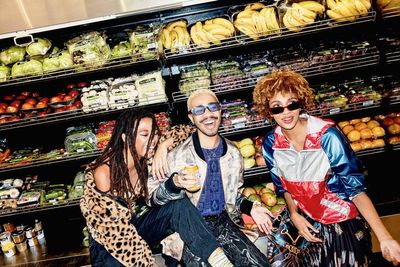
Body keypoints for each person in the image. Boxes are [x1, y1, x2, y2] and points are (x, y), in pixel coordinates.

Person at [252, 69, 400, 266]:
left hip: (340, 220)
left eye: (292, 104)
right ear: (268, 111)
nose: (286, 112)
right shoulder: (271, 143)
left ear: (300, 103)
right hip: (304, 223)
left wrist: (384, 237)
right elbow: (283, 186)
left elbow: (355, 189)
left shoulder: (327, 136)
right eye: (277, 107)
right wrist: (294, 214)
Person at [80, 108, 233, 266]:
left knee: (178, 205)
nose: (152, 140)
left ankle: (220, 261)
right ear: (125, 137)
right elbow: (118, 236)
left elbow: (188, 130)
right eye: (145, 135)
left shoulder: (146, 156)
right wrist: (148, 263)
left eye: (154, 134)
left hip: (135, 227)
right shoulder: (104, 173)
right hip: (110, 242)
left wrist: (163, 146)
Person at [148, 89, 272, 266]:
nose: (207, 114)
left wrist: (251, 207)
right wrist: (173, 184)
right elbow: (152, 199)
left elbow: (232, 195)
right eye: (199, 110)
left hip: (224, 223)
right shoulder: (175, 156)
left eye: (212, 107)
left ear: (220, 111)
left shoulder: (234, 153)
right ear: (191, 118)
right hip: (189, 231)